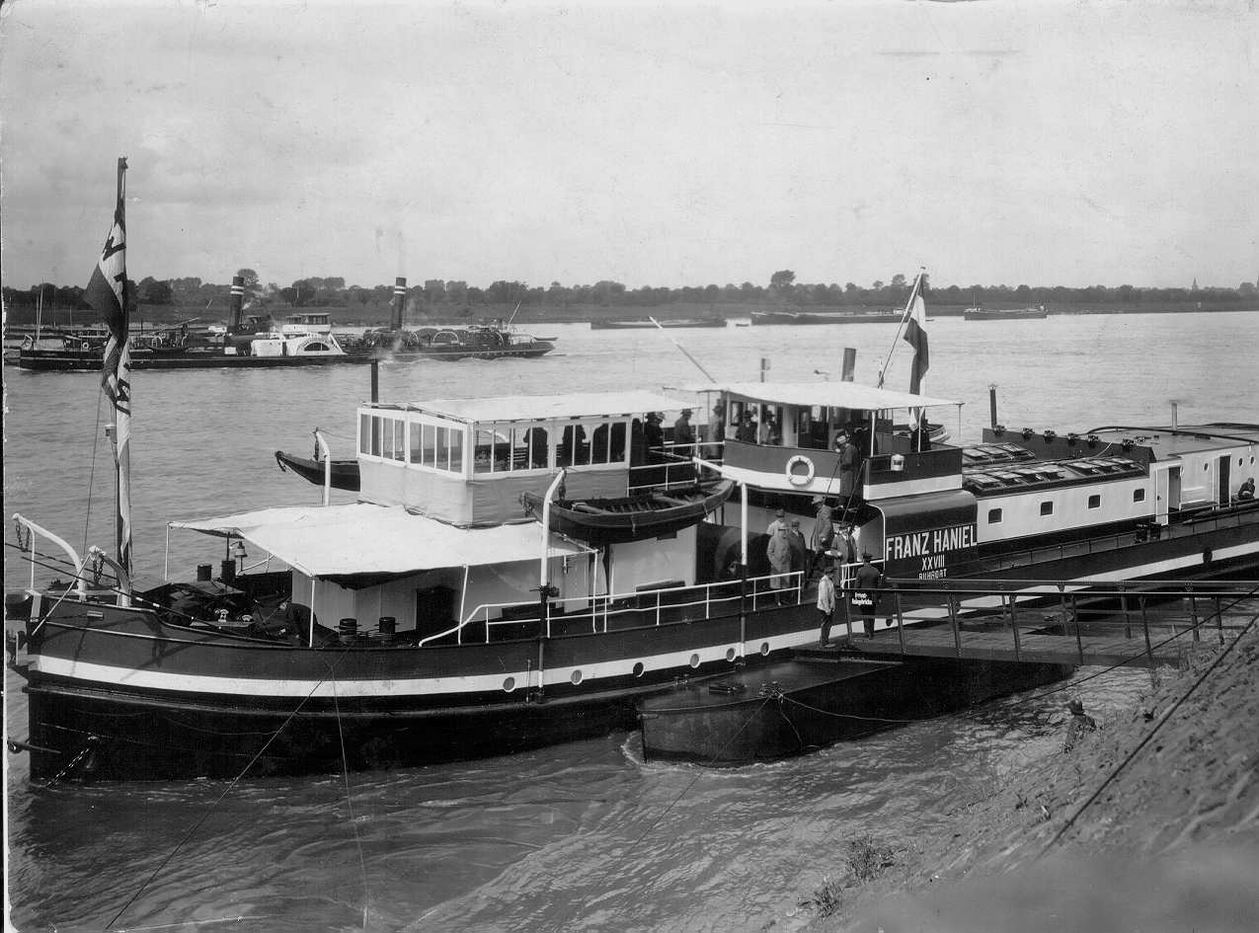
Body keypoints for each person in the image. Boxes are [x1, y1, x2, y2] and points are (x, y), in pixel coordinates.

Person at [851, 552, 884, 638]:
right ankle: (871, 632)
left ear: (864, 560)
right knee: (872, 614)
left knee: (864, 614)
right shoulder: (876, 571)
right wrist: (879, 597)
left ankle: (866, 632)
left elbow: (857, 586)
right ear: (870, 560)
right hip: (873, 597)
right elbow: (879, 586)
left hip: (863, 597)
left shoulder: (860, 571)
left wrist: (854, 597)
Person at [767, 525, 792, 605]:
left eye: (786, 530)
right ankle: (777, 600)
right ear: (779, 530)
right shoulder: (773, 539)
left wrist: (789, 559)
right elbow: (769, 552)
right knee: (777, 583)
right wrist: (775, 562)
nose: (785, 532)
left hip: (786, 565)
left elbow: (789, 551)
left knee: (785, 582)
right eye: (783, 530)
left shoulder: (787, 540)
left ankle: (783, 599)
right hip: (776, 565)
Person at [809, 497, 834, 577]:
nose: (815, 506)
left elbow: (828, 525)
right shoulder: (821, 511)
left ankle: (824, 575)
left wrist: (823, 536)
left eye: (816, 504)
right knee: (822, 560)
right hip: (821, 542)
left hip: (823, 543)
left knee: (823, 560)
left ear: (819, 503)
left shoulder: (824, 511)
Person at [816, 568, 837, 647]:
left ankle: (824, 640)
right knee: (825, 625)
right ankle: (824, 643)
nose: (834, 574)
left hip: (829, 607)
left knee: (828, 624)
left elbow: (831, 595)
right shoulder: (824, 582)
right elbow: (824, 597)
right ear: (829, 573)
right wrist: (827, 609)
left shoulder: (829, 580)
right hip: (824, 608)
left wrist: (832, 606)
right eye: (833, 573)